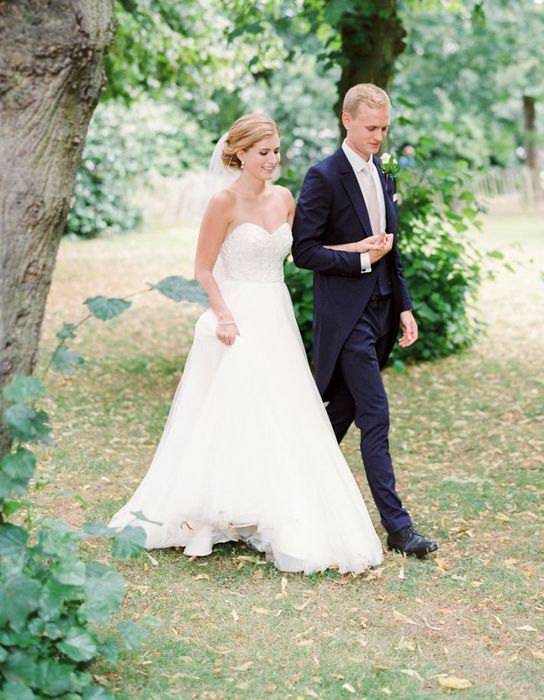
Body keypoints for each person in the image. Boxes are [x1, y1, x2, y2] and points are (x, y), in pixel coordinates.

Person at [109, 113, 383, 575]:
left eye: (276, 151)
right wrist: (223, 315)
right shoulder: (223, 202)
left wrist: (357, 247)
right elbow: (201, 268)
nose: (272, 160)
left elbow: (302, 254)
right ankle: (207, 510)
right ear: (239, 154)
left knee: (279, 407)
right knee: (231, 408)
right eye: (263, 153)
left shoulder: (283, 198)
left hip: (275, 313)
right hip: (236, 313)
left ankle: (265, 505)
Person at [292, 83, 439, 558]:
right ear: (347, 120)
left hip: (380, 311)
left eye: (385, 129)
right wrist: (357, 261)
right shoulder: (324, 177)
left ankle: (291, 493)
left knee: (340, 413)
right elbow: (305, 252)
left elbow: (392, 248)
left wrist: (403, 305)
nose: (379, 137)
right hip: (346, 314)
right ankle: (399, 529)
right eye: (372, 128)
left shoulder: (383, 172)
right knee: (375, 413)